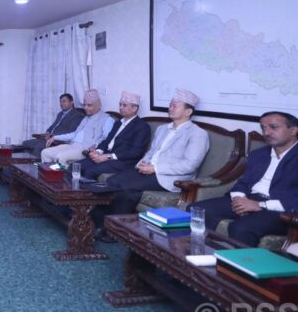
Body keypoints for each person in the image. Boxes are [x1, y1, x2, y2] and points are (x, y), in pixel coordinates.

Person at [92, 88, 209, 242]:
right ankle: (101, 224)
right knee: (113, 181)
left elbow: (190, 165)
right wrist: (143, 162)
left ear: (188, 111)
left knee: (125, 187)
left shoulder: (197, 134)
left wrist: (155, 168)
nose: (170, 108)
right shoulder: (162, 129)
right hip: (148, 170)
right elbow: (152, 152)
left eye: (175, 106)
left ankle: (112, 230)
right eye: (170, 105)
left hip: (169, 177)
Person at [189, 111, 298, 247]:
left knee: (240, 228)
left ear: (293, 130)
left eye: (273, 127)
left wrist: (260, 205)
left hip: (282, 209)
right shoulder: (258, 154)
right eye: (263, 128)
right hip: (250, 197)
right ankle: (202, 251)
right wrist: (239, 199)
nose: (266, 133)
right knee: (196, 210)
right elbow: (244, 182)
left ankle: (242, 262)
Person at [78, 91, 151, 179]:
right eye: (120, 105)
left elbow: (135, 153)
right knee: (76, 166)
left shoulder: (142, 127)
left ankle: (81, 188)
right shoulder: (118, 123)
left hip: (122, 161)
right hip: (105, 155)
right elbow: (107, 140)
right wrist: (97, 152)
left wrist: (108, 157)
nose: (120, 108)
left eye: (124, 105)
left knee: (89, 171)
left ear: (134, 108)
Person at [41, 89, 114, 165]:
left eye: (89, 105)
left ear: (97, 105)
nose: (85, 108)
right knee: (45, 152)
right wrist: (55, 137)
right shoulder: (86, 118)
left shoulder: (107, 119)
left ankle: (61, 173)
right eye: (84, 105)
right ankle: (48, 172)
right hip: (72, 145)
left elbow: (107, 138)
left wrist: (96, 145)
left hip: (85, 150)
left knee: (61, 156)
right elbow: (74, 134)